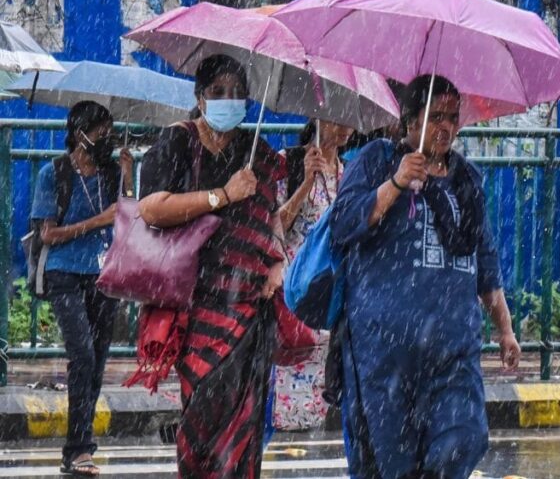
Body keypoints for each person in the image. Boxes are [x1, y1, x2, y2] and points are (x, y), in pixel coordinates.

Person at [330, 74, 521, 479]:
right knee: (391, 465)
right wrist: (396, 183)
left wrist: (505, 329)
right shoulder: (379, 160)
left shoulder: (467, 180)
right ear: (410, 120)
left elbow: (485, 261)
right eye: (436, 117)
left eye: (453, 117)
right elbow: (344, 224)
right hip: (385, 353)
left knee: (464, 438)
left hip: (453, 350)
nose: (446, 127)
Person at [137, 54, 286, 478]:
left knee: (244, 428)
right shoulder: (177, 142)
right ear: (200, 98)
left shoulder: (257, 154)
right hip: (195, 305)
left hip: (247, 308)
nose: (228, 100)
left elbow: (272, 220)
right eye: (218, 92)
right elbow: (151, 209)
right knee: (202, 420)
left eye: (237, 93)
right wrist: (222, 195)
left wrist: (277, 263)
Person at [31, 100, 133, 476]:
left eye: (109, 132)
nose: (106, 139)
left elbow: (129, 219)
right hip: (64, 274)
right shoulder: (54, 173)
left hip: (103, 274)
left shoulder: (109, 172)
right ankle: (78, 448)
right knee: (83, 356)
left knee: (98, 360)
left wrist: (127, 176)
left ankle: (78, 447)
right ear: (79, 135)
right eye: (100, 133)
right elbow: (48, 234)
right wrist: (97, 221)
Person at [272, 119, 353, 431]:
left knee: (319, 408)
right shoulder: (289, 162)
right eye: (338, 116)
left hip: (330, 300)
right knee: (281, 406)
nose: (346, 126)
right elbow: (276, 225)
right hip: (293, 298)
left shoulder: (349, 172)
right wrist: (305, 183)